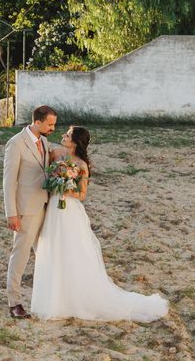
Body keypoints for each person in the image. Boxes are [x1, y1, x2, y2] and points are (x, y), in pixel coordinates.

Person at [31, 126, 169, 322]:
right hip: (53, 209)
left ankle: (72, 298)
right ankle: (53, 297)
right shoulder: (55, 153)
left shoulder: (81, 165)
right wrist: (55, 183)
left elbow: (82, 194)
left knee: (70, 251)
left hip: (68, 210)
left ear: (76, 142)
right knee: (52, 248)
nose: (63, 135)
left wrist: (63, 189)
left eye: (68, 135)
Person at [3, 105, 57, 318]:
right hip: (25, 209)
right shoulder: (16, 144)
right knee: (20, 255)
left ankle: (45, 298)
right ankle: (14, 302)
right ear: (38, 122)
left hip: (46, 206)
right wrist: (11, 213)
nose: (53, 128)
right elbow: (8, 182)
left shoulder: (44, 141)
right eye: (50, 124)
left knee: (44, 254)